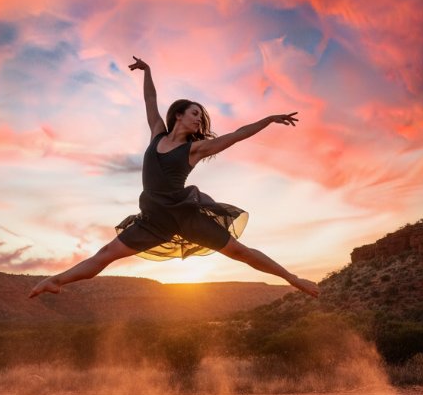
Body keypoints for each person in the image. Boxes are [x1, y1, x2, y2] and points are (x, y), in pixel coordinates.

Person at [28, 56, 320, 298]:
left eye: (201, 118)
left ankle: (291, 279)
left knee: (238, 252)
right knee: (106, 253)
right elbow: (150, 99)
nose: (199, 120)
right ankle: (56, 280)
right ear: (178, 114)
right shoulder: (157, 133)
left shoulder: (195, 149)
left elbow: (236, 135)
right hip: (154, 219)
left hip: (183, 214)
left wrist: (268, 120)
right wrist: (148, 71)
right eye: (194, 113)